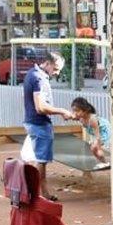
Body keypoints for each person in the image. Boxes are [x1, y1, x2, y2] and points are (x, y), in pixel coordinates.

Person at [23, 51, 75, 200]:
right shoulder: (38, 78)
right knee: (41, 160)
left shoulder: (32, 74)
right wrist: (61, 111)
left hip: (33, 122)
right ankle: (41, 194)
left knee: (38, 159)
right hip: (39, 123)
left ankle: (40, 192)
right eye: (56, 68)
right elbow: (40, 107)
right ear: (48, 63)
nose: (57, 73)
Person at [69, 97, 111, 167]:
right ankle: (103, 162)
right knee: (93, 148)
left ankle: (105, 162)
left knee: (96, 148)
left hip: (104, 132)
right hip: (97, 133)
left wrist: (97, 145)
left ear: (85, 110)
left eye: (77, 111)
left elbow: (97, 135)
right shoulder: (81, 117)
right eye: (73, 111)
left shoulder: (92, 119)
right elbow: (71, 116)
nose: (75, 113)